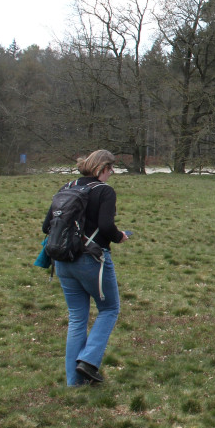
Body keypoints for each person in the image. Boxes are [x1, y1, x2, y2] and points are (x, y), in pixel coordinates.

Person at [43, 150, 129, 386]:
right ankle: (89, 361)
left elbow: (46, 226)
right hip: (91, 260)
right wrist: (119, 236)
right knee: (109, 309)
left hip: (62, 260)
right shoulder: (104, 191)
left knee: (77, 318)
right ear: (102, 168)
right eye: (111, 169)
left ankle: (74, 382)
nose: (111, 174)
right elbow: (105, 226)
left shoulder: (66, 188)